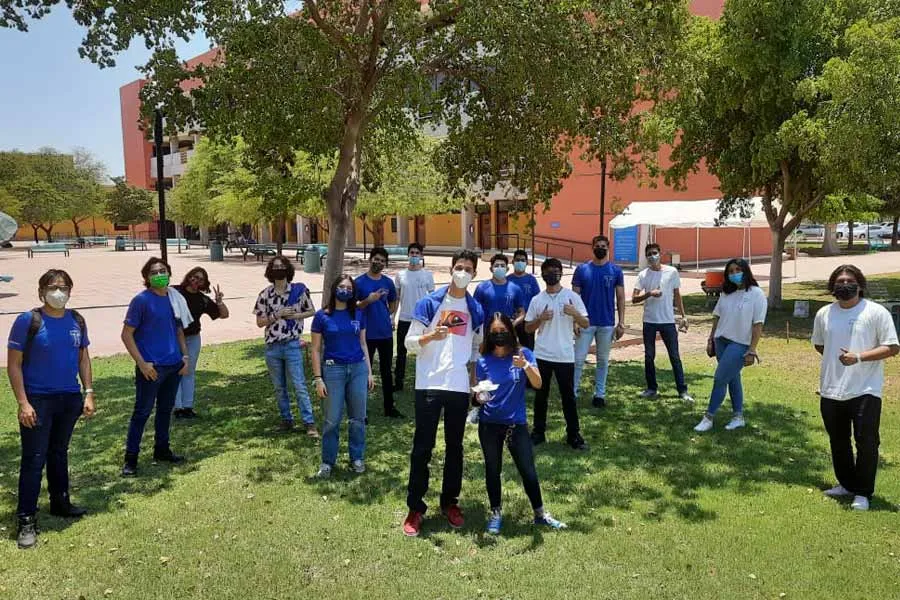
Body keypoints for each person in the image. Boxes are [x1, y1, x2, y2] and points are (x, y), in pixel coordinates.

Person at [7, 269, 96, 549]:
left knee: (59, 453)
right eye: (52, 287)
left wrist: (88, 392)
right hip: (38, 401)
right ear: (41, 291)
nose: (58, 292)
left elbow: (83, 358)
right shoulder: (28, 321)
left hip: (68, 399)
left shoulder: (77, 320)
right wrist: (23, 402)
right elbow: (14, 365)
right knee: (34, 458)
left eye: (64, 287)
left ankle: (60, 502)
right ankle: (26, 519)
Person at [402, 249, 485, 537]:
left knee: (455, 448)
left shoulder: (476, 309)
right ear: (451, 270)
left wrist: (474, 382)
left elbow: (475, 348)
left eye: (468, 269)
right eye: (459, 267)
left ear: (474, 274)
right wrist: (430, 336)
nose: (462, 273)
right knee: (422, 447)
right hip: (428, 383)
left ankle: (450, 502)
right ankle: (415, 508)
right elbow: (409, 342)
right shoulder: (430, 303)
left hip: (458, 387)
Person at [812, 265, 899, 511]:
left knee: (866, 442)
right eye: (839, 281)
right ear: (832, 286)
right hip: (831, 389)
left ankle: (863, 493)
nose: (844, 284)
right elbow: (820, 344)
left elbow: (892, 347)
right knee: (838, 441)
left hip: (865, 390)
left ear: (859, 285)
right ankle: (847, 484)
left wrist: (858, 357)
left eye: (849, 280)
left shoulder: (876, 312)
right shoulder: (824, 314)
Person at [475, 312, 567, 535]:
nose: (499, 335)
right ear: (488, 335)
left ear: (510, 331)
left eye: (502, 331)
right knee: (492, 469)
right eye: (494, 332)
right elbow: (476, 393)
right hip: (489, 424)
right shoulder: (483, 360)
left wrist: (525, 365)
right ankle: (496, 513)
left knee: (528, 470)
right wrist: (478, 397)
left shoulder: (523, 354)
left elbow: (538, 383)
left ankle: (540, 514)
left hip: (516, 424)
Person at [121, 258, 189, 476]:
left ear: (169, 273)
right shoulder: (141, 301)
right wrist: (142, 363)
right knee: (142, 412)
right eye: (154, 272)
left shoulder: (174, 299)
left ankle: (162, 449)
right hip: (151, 368)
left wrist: (185, 357)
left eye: (163, 270)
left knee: (165, 410)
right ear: (146, 278)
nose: (159, 274)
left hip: (174, 366)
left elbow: (178, 330)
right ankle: (131, 459)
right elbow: (126, 335)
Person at [310, 275, 375, 478]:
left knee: (358, 418)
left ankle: (357, 458)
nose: (345, 290)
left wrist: (369, 372)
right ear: (334, 288)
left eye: (349, 288)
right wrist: (318, 378)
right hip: (333, 371)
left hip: (357, 369)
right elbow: (315, 349)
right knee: (331, 420)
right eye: (341, 286)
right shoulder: (322, 316)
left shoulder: (358, 313)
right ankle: (327, 462)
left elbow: (363, 343)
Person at [694, 259, 766, 433]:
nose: (734, 274)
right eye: (731, 271)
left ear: (745, 271)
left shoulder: (756, 294)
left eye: (738, 270)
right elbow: (717, 317)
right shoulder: (726, 293)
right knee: (733, 378)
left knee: (720, 378)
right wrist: (711, 339)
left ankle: (708, 417)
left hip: (740, 344)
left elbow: (758, 324)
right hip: (721, 341)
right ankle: (738, 417)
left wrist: (752, 349)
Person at [525, 258, 590, 450]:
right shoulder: (537, 300)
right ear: (543, 275)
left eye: (555, 270)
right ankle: (538, 432)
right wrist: (540, 318)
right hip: (542, 354)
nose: (551, 274)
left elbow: (586, 323)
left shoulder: (572, 297)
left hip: (564, 355)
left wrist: (574, 314)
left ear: (561, 273)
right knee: (540, 396)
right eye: (547, 271)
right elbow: (528, 328)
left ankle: (573, 435)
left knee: (568, 396)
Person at [253, 255, 318, 435]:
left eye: (282, 266)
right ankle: (286, 419)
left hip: (292, 344)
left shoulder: (299, 291)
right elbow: (259, 322)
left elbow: (311, 310)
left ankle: (309, 422)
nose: (278, 269)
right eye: (275, 267)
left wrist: (295, 316)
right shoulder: (265, 294)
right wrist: (277, 315)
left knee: (299, 384)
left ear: (288, 270)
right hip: (272, 347)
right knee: (279, 387)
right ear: (270, 271)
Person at [632, 243, 693, 402]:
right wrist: (649, 294)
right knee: (649, 356)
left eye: (654, 253)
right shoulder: (643, 275)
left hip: (667, 321)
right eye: (649, 254)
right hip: (649, 321)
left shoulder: (671, 272)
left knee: (674, 356)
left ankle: (682, 390)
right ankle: (651, 388)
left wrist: (683, 316)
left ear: (660, 254)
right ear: (646, 257)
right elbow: (634, 298)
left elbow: (677, 294)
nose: (652, 256)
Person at [573, 235, 625, 408]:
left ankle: (599, 395)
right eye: (598, 245)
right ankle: (572, 392)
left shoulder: (616, 271)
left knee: (602, 360)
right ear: (592, 247)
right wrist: (575, 321)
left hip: (606, 323)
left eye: (604, 246)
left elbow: (620, 297)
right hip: (585, 322)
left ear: (608, 248)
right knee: (578, 359)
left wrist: (621, 322)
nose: (600, 248)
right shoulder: (582, 270)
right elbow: (574, 297)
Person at [172, 267, 230, 419]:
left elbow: (224, 315)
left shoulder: (202, 299)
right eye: (194, 276)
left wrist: (219, 302)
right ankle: (177, 407)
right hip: (174, 338)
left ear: (204, 284)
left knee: (189, 371)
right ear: (188, 276)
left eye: (200, 279)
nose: (196, 281)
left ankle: (187, 407)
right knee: (176, 370)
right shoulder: (175, 291)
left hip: (193, 338)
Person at [355, 247, 401, 417]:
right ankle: (361, 411)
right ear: (370, 259)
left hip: (385, 334)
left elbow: (393, 303)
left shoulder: (388, 283)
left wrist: (386, 314)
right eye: (376, 259)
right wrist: (368, 300)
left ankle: (389, 408)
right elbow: (353, 307)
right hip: (366, 335)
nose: (379, 263)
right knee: (363, 372)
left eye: (382, 261)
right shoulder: (359, 282)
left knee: (386, 371)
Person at [394, 243, 435, 392]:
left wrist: (432, 319)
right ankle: (398, 382)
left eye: (417, 253)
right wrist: (393, 317)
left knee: (424, 351)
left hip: (421, 320)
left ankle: (424, 382)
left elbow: (432, 299)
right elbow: (397, 298)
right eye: (412, 253)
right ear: (408, 255)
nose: (414, 255)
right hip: (404, 319)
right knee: (401, 352)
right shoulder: (400, 275)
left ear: (421, 255)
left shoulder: (427, 275)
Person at [508, 249, 540, 350]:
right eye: (517, 260)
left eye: (522, 260)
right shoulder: (508, 279)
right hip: (512, 320)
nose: (520, 262)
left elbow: (537, 299)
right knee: (511, 348)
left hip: (528, 320)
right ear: (513, 262)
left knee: (527, 349)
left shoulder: (531, 280)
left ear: (527, 263)